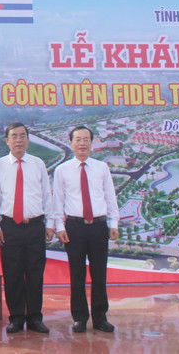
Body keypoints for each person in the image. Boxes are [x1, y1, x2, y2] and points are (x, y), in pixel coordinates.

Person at [0, 122, 55, 334]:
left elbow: (47, 195)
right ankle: (16, 318)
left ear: (28, 139)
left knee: (35, 273)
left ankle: (35, 318)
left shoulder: (38, 164)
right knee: (13, 273)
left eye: (22, 136)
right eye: (14, 136)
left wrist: (50, 223)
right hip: (9, 226)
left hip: (35, 225)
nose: (18, 140)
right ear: (7, 140)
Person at [53, 125, 119, 333]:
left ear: (92, 142)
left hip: (98, 227)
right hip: (75, 227)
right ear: (71, 143)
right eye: (78, 139)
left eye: (86, 139)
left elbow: (110, 196)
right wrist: (59, 227)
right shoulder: (62, 170)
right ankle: (80, 317)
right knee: (77, 274)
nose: (82, 143)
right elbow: (58, 201)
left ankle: (100, 318)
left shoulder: (102, 168)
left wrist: (114, 223)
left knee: (99, 274)